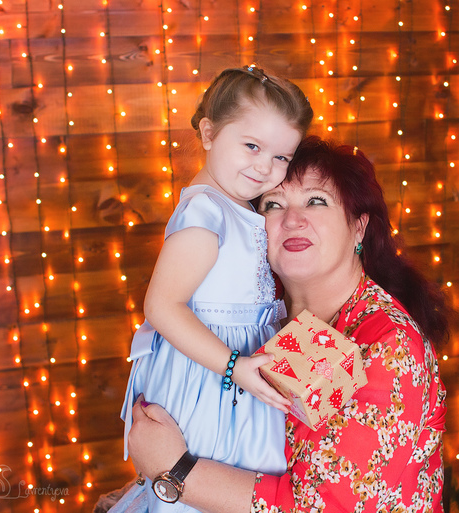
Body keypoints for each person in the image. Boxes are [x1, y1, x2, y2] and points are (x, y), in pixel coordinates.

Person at [126, 136, 451, 513]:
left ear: (359, 228)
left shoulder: (387, 343)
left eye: (316, 201)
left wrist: (175, 472)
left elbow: (325, 507)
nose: (293, 219)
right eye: (273, 204)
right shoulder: (256, 320)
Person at [111, 66, 314, 512]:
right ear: (208, 133)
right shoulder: (205, 210)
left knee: (248, 475)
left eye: (282, 157)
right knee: (205, 485)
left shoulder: (237, 206)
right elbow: (162, 306)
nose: (264, 167)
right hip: (209, 375)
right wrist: (233, 366)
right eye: (252, 146)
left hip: (236, 373)